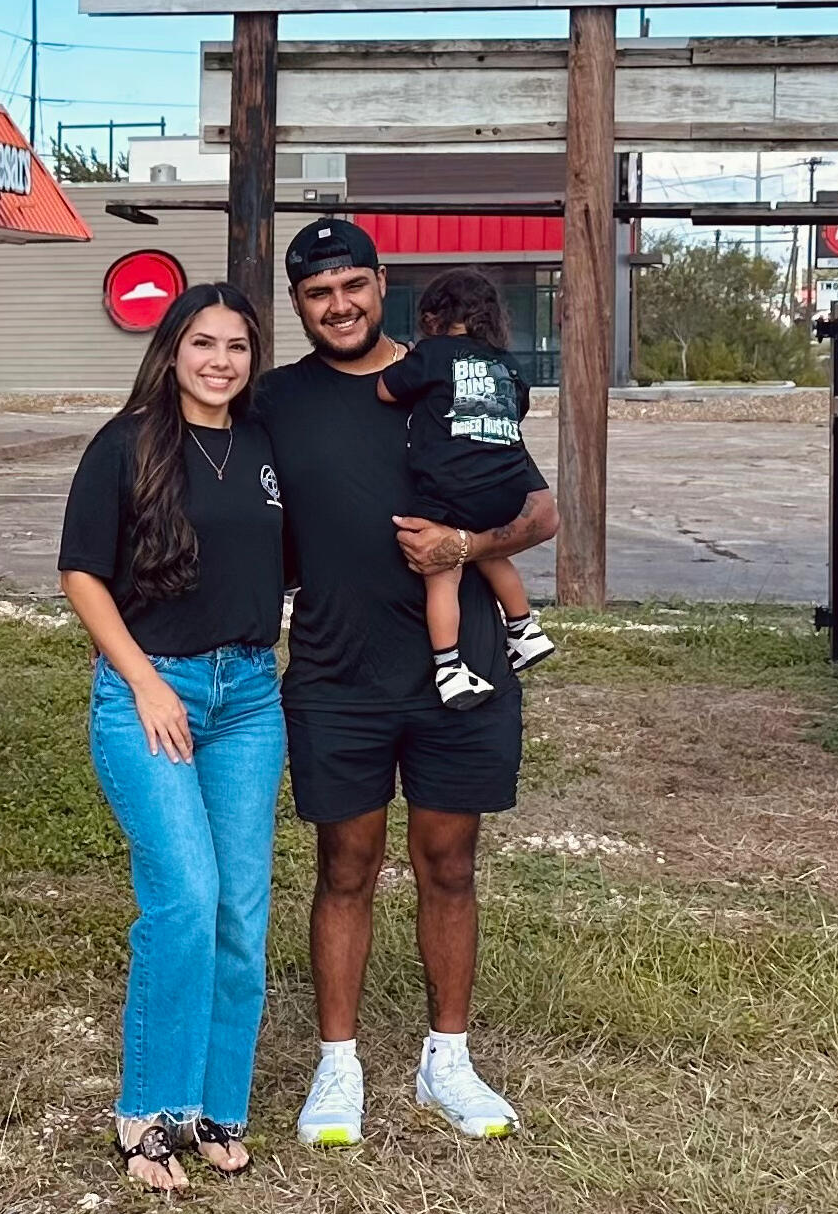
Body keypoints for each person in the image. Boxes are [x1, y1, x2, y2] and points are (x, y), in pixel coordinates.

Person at [253, 220, 559, 1146]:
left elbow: (541, 509)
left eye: (353, 285)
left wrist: (465, 546)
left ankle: (447, 1060)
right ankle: (336, 1064)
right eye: (317, 292)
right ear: (298, 304)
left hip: (456, 671)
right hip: (336, 673)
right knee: (343, 867)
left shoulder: (452, 372)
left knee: (449, 865)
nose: (338, 304)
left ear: (381, 285)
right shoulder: (274, 400)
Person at [58, 283, 286, 1193]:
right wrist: (147, 681)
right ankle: (148, 1111)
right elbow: (81, 573)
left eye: (236, 346)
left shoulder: (267, 448)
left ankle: (216, 1106)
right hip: (153, 689)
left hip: (249, 700)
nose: (220, 361)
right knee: (186, 896)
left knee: (240, 910)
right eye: (202, 343)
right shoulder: (126, 443)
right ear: (172, 350)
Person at [376, 268, 555, 710]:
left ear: (434, 316)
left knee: (443, 570)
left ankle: (450, 668)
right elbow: (521, 406)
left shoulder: (434, 354)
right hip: (507, 486)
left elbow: (385, 390)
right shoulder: (507, 363)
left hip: (450, 489)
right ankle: (524, 628)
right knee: (490, 550)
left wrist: (409, 362)